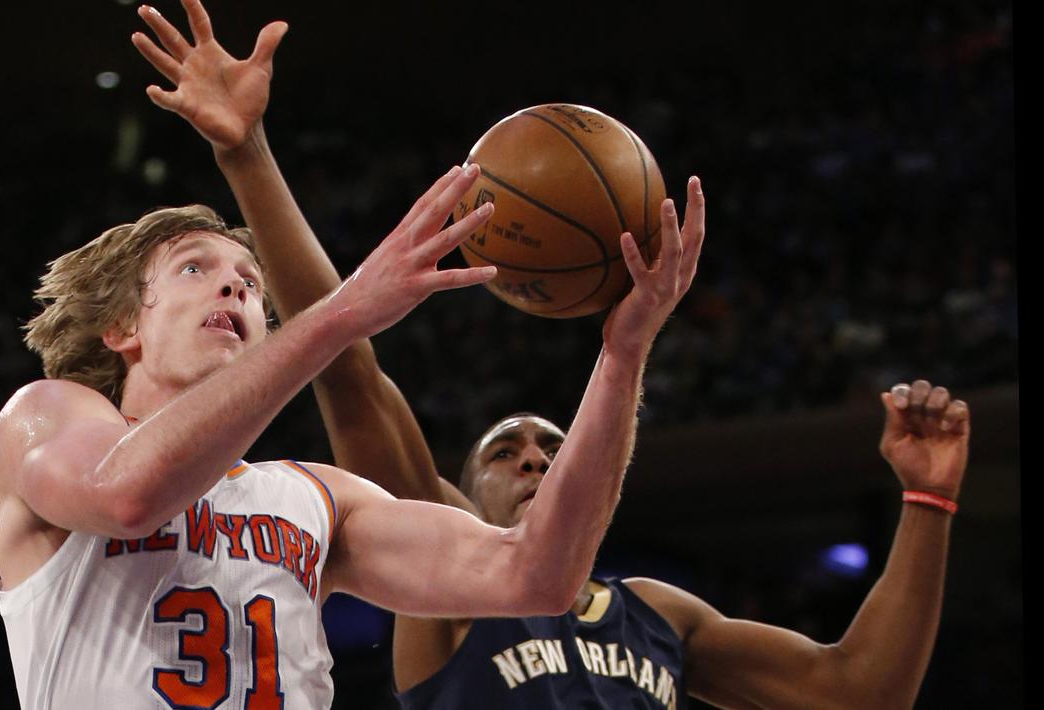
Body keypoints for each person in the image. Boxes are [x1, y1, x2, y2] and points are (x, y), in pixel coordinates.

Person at [171, 6, 975, 710]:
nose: (532, 458)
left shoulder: (661, 618)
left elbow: (858, 694)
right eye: (505, 450)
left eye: (551, 448)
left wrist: (927, 502)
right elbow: (348, 370)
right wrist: (247, 153)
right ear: (464, 488)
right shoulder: (444, 585)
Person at [0, 2, 703, 708]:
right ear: (119, 328)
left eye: (251, 283)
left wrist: (622, 353)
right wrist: (342, 311)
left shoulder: (317, 500)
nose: (236, 281)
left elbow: (536, 574)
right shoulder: (47, 417)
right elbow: (128, 495)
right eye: (195, 268)